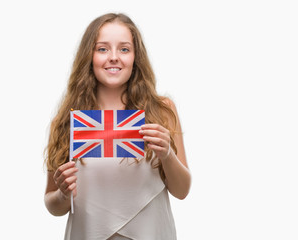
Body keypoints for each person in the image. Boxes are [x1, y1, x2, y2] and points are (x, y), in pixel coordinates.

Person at [44, 13, 191, 240]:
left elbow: (182, 191)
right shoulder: (67, 120)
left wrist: (167, 154)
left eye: (124, 49)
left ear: (135, 57)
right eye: (102, 49)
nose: (113, 57)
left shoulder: (160, 111)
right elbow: (52, 204)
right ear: (89, 56)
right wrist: (63, 194)